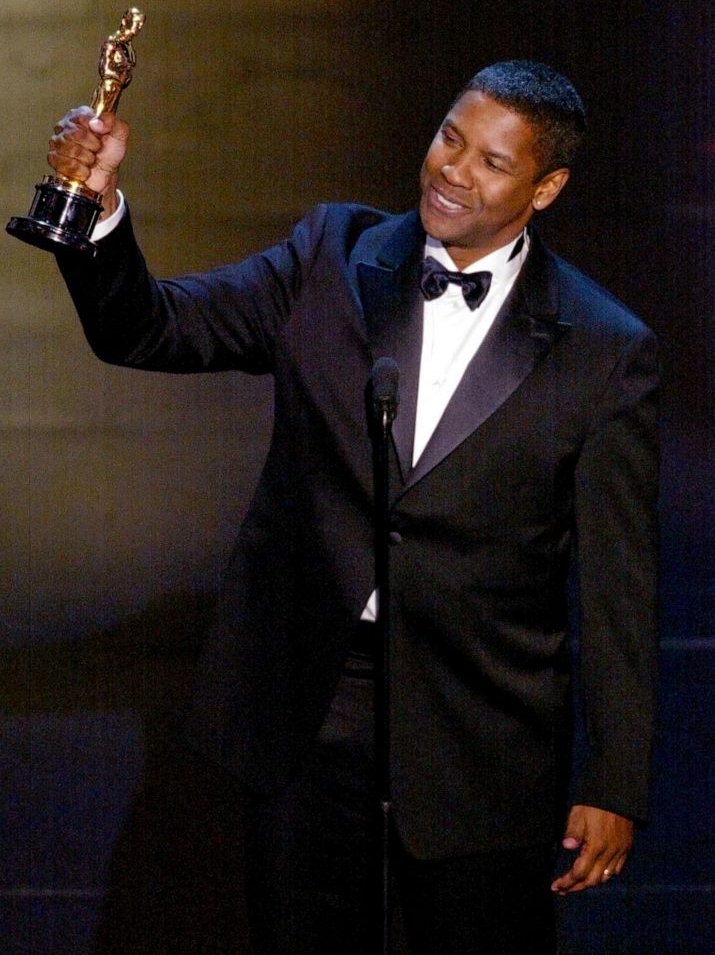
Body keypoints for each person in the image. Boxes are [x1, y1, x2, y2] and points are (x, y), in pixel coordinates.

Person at [47, 60, 660, 954]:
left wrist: (613, 780)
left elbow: (617, 589)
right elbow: (149, 327)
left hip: (478, 729)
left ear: (546, 186)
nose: (453, 169)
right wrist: (94, 210)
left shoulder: (604, 349)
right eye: (450, 136)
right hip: (308, 702)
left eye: (491, 161)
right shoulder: (331, 255)